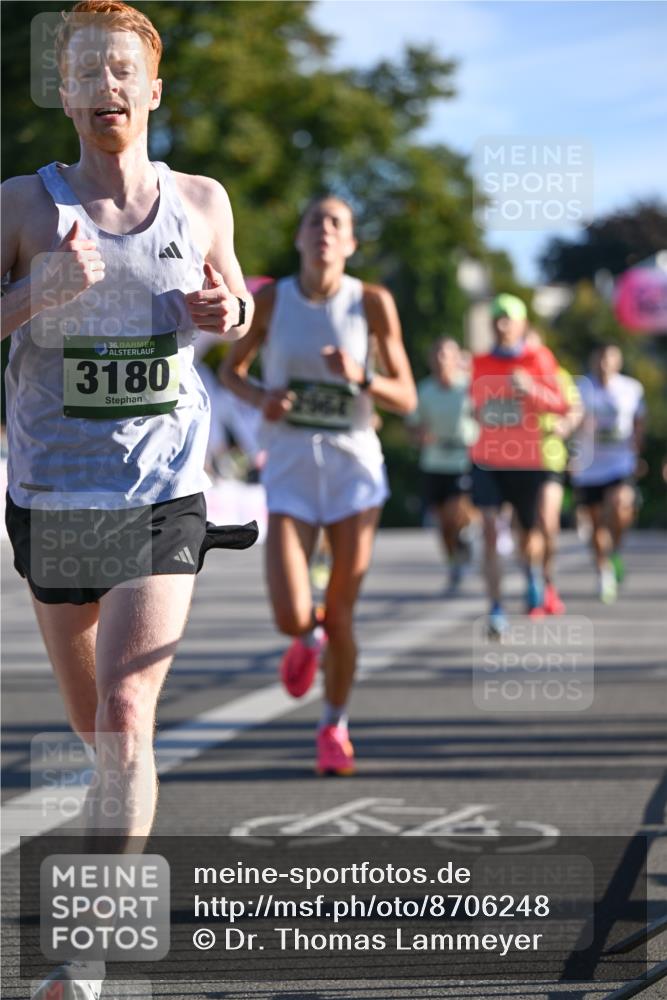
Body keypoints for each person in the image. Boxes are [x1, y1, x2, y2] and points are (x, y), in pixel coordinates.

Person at [1, 2, 254, 995]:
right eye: (86, 73)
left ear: (153, 90)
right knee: (93, 728)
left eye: (124, 73)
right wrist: (39, 292)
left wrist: (222, 312)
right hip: (56, 492)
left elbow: (227, 306)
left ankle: (91, 953)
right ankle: (119, 803)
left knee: (125, 712)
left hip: (162, 487)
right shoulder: (23, 205)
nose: (107, 88)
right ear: (64, 93)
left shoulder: (201, 197)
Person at [223, 194, 416, 775]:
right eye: (314, 221)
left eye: (337, 224)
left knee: (342, 614)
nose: (325, 231)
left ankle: (333, 725)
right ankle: (303, 641)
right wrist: (264, 398)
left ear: (351, 243)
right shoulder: (272, 299)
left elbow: (405, 395)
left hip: (354, 471)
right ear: (300, 238)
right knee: (291, 614)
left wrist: (363, 378)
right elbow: (231, 372)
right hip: (289, 469)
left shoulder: (372, 303)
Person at [470, 294, 568, 636]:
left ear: (522, 323)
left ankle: (531, 575)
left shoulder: (538, 358)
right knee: (490, 532)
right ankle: (495, 608)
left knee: (530, 534)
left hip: (526, 460)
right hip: (487, 460)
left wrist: (530, 390)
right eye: (496, 318)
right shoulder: (479, 362)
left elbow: (561, 405)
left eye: (508, 318)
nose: (501, 325)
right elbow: (473, 405)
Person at [571, 343, 646, 603]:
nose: (604, 363)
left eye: (610, 358)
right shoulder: (582, 388)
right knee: (595, 524)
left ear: (618, 362)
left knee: (619, 506)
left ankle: (615, 549)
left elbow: (639, 422)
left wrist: (638, 448)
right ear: (593, 360)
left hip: (619, 463)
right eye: (600, 358)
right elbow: (573, 418)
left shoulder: (631, 388)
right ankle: (604, 570)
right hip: (589, 467)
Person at [407, 337, 477, 592]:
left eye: (446, 354)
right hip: (434, 461)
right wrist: (419, 435)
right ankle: (453, 561)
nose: (441, 360)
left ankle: (466, 535)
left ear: (456, 358)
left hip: (463, 458)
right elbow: (413, 426)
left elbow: (485, 416)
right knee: (443, 524)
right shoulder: (424, 390)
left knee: (457, 510)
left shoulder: (469, 387)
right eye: (436, 355)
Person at [524, 329, 583, 615]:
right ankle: (531, 581)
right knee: (525, 530)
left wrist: (565, 425)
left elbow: (575, 409)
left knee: (548, 524)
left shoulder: (558, 375)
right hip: (515, 462)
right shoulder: (508, 376)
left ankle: (548, 584)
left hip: (549, 459)